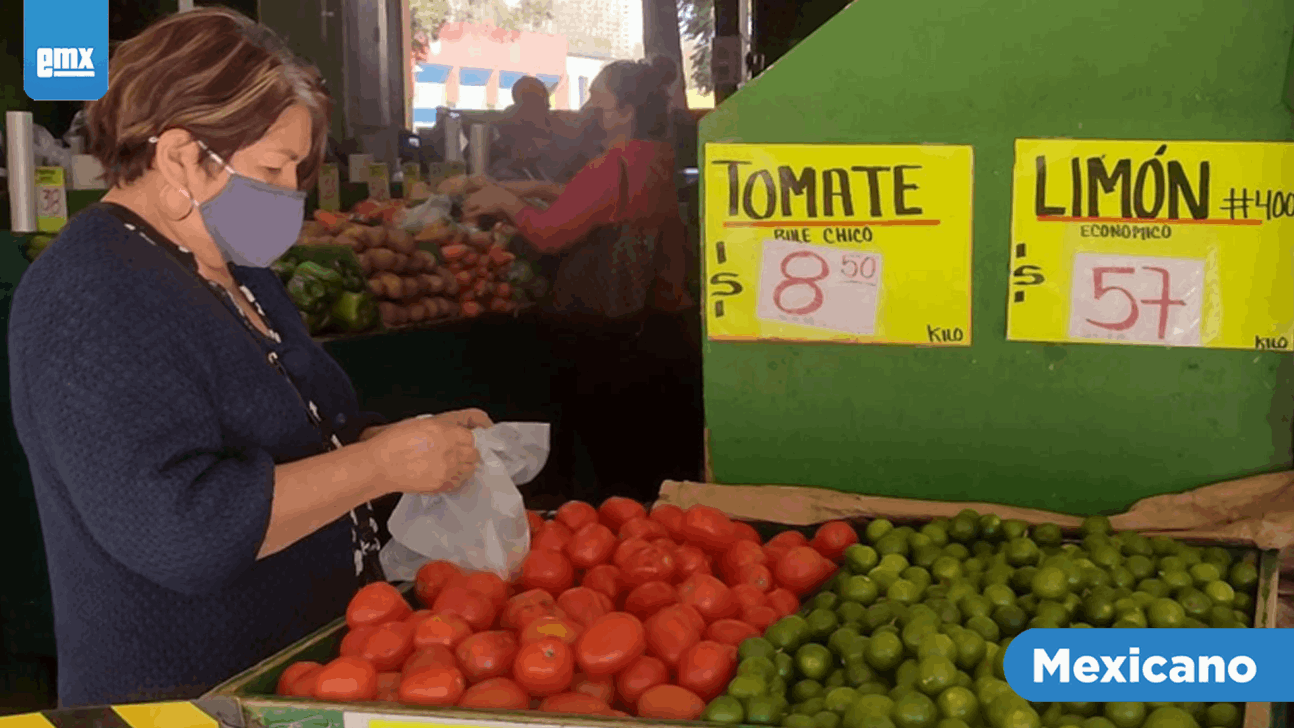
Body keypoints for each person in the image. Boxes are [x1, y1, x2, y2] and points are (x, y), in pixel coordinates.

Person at [6, 8, 491, 707]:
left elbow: (298, 433)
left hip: (295, 681)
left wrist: (396, 446)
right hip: (183, 703)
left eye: (299, 168)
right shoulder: (90, 294)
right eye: (272, 167)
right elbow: (180, 530)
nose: (291, 191)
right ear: (180, 155)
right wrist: (379, 467)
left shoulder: (236, 269)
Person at [462, 56, 700, 502]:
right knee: (644, 447)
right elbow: (604, 200)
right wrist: (533, 189)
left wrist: (505, 201)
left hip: (604, 332)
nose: (590, 107)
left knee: (600, 445)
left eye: (598, 99)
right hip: (659, 326)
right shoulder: (658, 157)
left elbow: (548, 234)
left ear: (625, 111)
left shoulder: (612, 165)